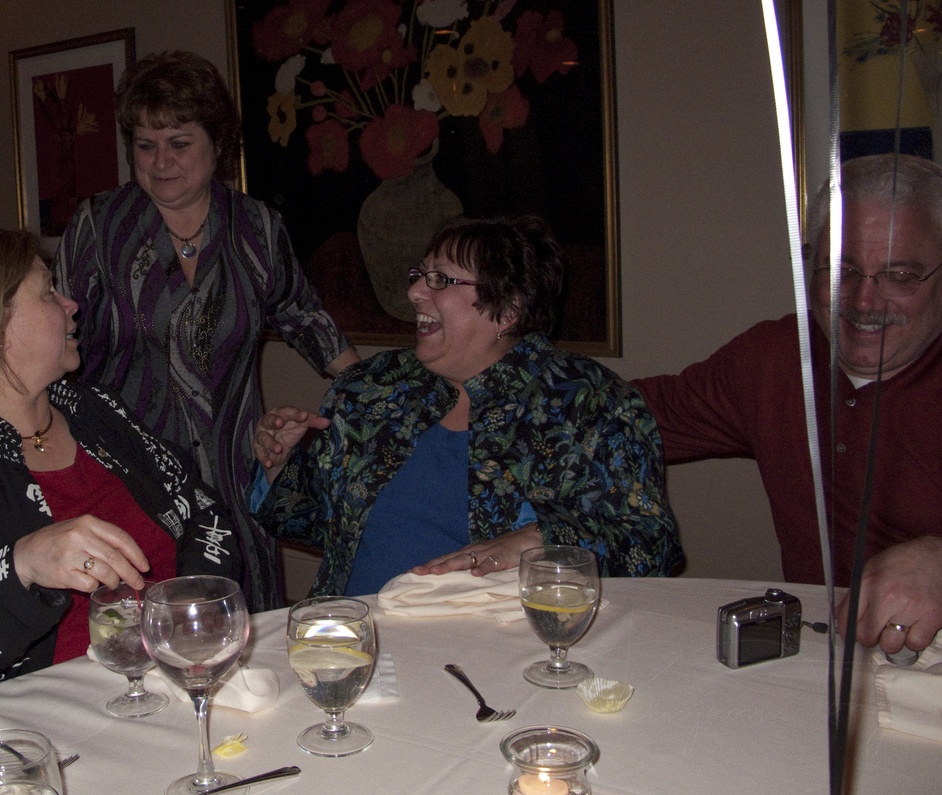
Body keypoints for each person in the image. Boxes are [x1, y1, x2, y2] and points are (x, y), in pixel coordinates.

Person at [0, 227, 244, 696]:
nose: (72, 305)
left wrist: (191, 605)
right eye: (48, 293)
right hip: (47, 717)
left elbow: (203, 510)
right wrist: (21, 565)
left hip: (177, 679)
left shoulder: (93, 410)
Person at [54, 51, 359, 611]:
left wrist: (375, 390)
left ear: (217, 143)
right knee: (144, 631)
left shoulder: (257, 228)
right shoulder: (100, 227)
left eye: (179, 142)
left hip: (235, 479)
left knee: (242, 630)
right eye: (145, 145)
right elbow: (56, 334)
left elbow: (304, 316)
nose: (161, 161)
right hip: (131, 480)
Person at [251, 215, 683, 596]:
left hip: (497, 647)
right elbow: (323, 529)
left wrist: (539, 540)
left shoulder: (589, 402)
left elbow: (651, 548)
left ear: (507, 311)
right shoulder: (371, 387)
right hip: (354, 636)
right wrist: (280, 466)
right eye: (420, 274)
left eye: (441, 279)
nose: (414, 291)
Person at [632, 153, 942, 654]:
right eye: (840, 270)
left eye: (900, 275)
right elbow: (622, 415)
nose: (863, 301)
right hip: (820, 655)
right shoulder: (776, 357)